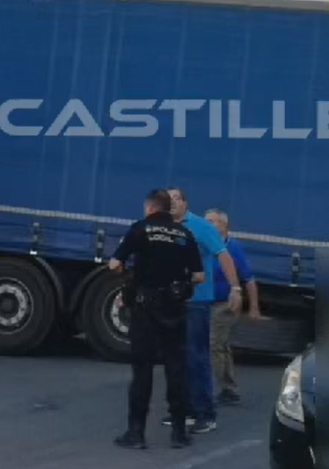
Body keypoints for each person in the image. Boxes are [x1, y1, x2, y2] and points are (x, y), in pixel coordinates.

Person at [107, 189, 205, 450]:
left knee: (142, 370)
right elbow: (199, 276)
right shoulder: (184, 234)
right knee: (176, 368)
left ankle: (136, 433)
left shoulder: (141, 229)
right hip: (174, 308)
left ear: (150, 208)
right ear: (168, 208)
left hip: (145, 308)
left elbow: (114, 264)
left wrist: (128, 275)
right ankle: (179, 433)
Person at [163, 187, 241, 434]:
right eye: (168, 200)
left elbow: (223, 254)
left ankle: (205, 414)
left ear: (185, 203)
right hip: (172, 301)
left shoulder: (202, 227)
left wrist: (235, 288)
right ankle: (184, 410)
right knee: (177, 358)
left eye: (177, 199)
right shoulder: (163, 227)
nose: (172, 203)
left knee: (197, 357)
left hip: (196, 302)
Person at [204, 209, 261, 406]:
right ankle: (229, 388)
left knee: (213, 344)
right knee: (221, 345)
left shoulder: (232, 247)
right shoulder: (204, 245)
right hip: (205, 302)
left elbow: (249, 279)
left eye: (212, 221)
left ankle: (222, 389)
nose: (207, 224)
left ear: (224, 225)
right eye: (206, 221)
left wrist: (254, 307)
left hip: (225, 304)